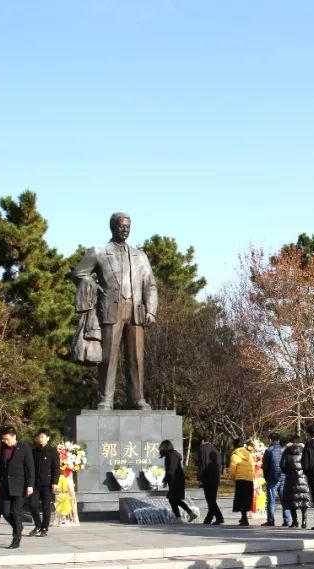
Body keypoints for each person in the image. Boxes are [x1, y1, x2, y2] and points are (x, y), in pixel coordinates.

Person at [70, 211, 159, 410]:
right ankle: (106, 398)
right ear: (112, 227)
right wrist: (90, 283)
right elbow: (78, 273)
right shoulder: (99, 252)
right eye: (121, 225)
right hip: (110, 310)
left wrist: (151, 311)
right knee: (109, 357)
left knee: (136, 358)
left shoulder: (140, 256)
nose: (125, 229)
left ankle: (137, 398)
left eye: (128, 226)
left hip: (136, 311)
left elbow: (150, 285)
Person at [0, 428, 35, 549]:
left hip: (20, 485)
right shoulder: (3, 448)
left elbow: (30, 468)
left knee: (16, 512)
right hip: (5, 485)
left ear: (14, 436)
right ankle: (18, 527)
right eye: (3, 439)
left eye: (7, 439)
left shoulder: (25, 447)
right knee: (5, 511)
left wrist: (30, 485)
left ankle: (16, 539)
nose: (5, 441)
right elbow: (0, 467)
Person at [159, 439, 196, 522]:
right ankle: (190, 513)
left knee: (172, 499)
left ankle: (178, 517)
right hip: (178, 479)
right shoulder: (174, 455)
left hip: (175, 480)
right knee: (175, 499)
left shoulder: (170, 456)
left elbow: (170, 470)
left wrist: (165, 480)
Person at [30, 430, 58, 537]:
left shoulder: (52, 451)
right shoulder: (34, 451)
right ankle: (38, 525)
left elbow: (56, 468)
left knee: (46, 507)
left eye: (42, 436)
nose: (40, 439)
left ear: (48, 438)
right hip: (35, 483)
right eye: (38, 437)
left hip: (47, 483)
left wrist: (54, 482)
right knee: (32, 504)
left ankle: (44, 528)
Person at [281, 436, 310, 528]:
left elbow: (282, 465)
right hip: (303, 478)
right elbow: (308, 463)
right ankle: (304, 521)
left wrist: (288, 471)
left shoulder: (287, 451)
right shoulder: (304, 450)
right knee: (303, 500)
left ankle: (295, 521)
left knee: (292, 500)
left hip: (291, 478)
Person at [262, 432, 290, 527]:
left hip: (272, 478)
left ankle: (271, 520)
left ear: (270, 440)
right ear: (279, 440)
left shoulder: (269, 451)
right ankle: (287, 520)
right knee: (284, 500)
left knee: (271, 501)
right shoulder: (284, 450)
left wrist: (266, 477)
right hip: (283, 477)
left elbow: (265, 467)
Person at [228, 439, 256, 526]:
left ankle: (244, 518)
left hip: (240, 479)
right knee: (247, 499)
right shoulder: (249, 454)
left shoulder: (235, 455)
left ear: (234, 446)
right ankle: (244, 517)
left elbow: (233, 468)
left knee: (241, 499)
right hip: (249, 479)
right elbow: (253, 466)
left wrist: (233, 478)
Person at [196, 436, 224, 525]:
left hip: (206, 478)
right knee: (212, 499)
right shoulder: (216, 450)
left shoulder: (202, 449)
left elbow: (201, 465)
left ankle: (219, 518)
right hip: (215, 478)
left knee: (210, 500)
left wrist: (200, 478)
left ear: (203, 441)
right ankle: (208, 519)